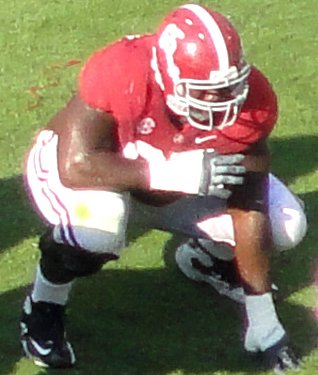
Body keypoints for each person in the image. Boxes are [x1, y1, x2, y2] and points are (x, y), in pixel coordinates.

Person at [20, 3, 307, 372]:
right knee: (97, 234)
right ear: (168, 76)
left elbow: (248, 201)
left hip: (170, 188)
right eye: (206, 92)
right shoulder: (123, 70)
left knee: (286, 225)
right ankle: (44, 307)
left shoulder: (250, 100)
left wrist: (264, 321)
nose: (223, 102)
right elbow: (77, 165)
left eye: (228, 88)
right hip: (87, 173)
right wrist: (169, 174)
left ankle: (207, 260)